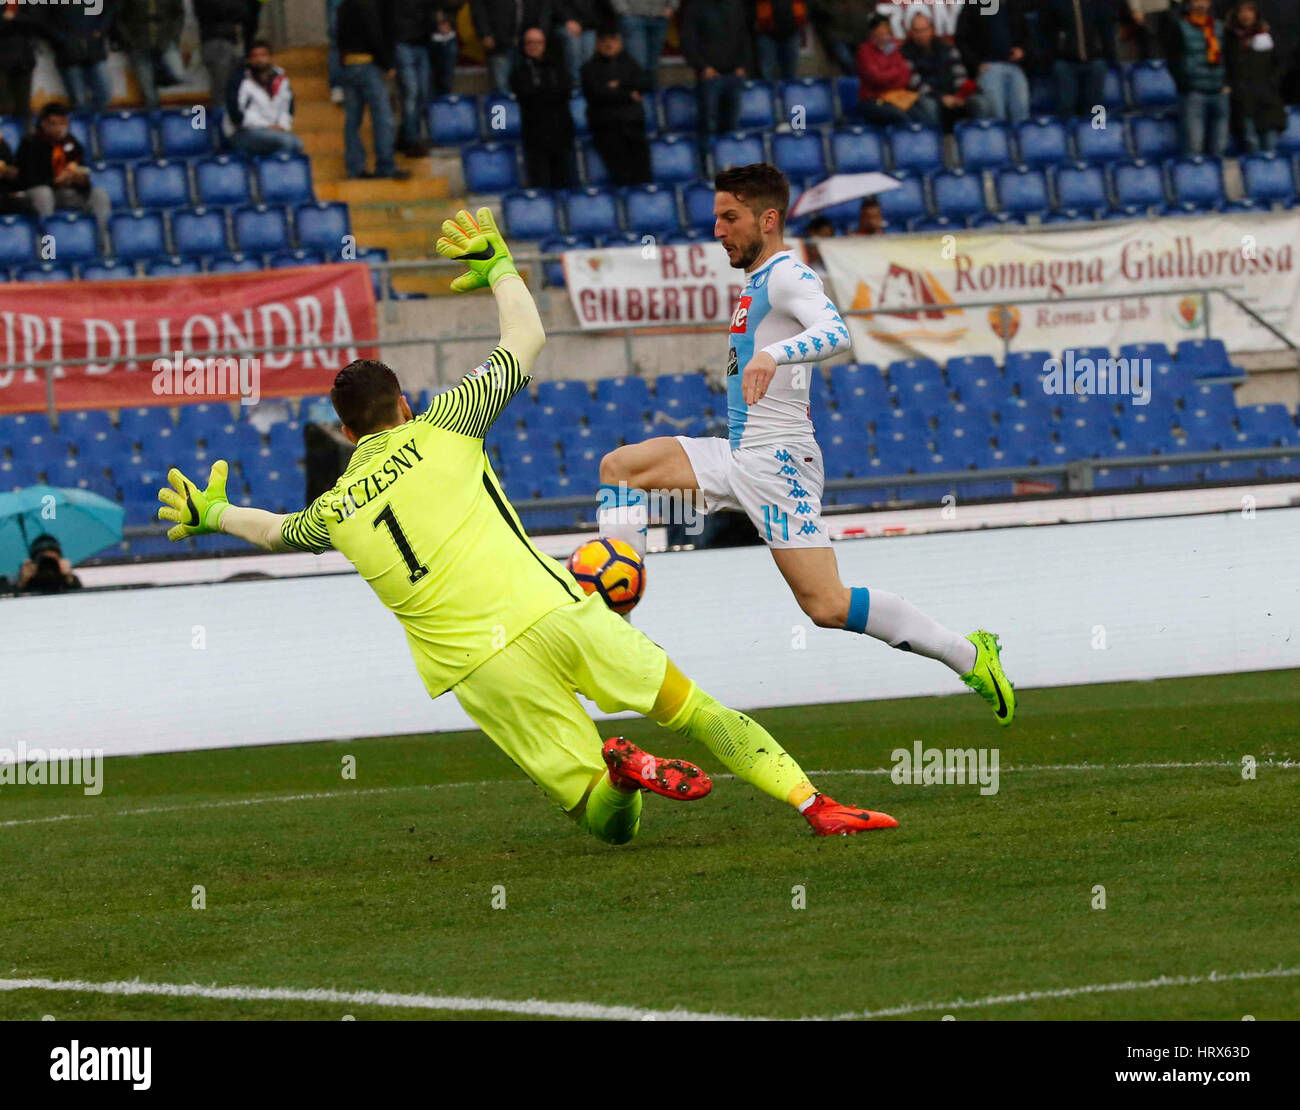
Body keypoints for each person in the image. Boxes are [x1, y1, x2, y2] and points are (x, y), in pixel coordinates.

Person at [158, 207, 899, 841]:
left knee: (605, 821)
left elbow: (274, 531)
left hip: (481, 668)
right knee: (699, 711)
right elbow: (525, 342)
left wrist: (211, 512)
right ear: (404, 406)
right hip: (555, 610)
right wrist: (502, 269)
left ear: (347, 435)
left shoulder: (334, 509)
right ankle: (816, 803)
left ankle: (623, 772)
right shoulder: (446, 422)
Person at [596, 164, 1015, 731]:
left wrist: (774, 355)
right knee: (621, 467)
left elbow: (836, 331)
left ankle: (969, 655)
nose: (717, 229)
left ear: (768, 219)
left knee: (827, 606)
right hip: (741, 453)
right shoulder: (758, 280)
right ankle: (613, 610)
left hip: (780, 462)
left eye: (729, 217)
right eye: (716, 216)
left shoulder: (790, 275)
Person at [16, 103, 112, 252]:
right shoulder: (30, 144)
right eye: (54, 124)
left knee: (99, 195)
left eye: (63, 123)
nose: (59, 128)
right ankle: (47, 251)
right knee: (44, 194)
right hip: (38, 194)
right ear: (44, 124)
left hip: (65, 193)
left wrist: (80, 179)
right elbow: (24, 179)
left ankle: (103, 248)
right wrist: (55, 181)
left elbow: (84, 174)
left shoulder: (71, 143)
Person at [336, 0, 411, 179]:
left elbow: (337, 37)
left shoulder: (344, 5)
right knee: (383, 116)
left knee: (353, 120)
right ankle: (385, 165)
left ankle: (355, 167)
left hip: (349, 64)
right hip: (367, 65)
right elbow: (374, 33)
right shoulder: (368, 4)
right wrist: (387, 64)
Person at [581, 24, 651, 186]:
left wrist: (615, 86)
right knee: (622, 176)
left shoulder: (631, 63)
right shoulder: (589, 69)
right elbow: (597, 95)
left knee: (643, 176)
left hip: (633, 126)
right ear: (597, 44)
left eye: (613, 40)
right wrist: (627, 93)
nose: (609, 44)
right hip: (607, 128)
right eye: (604, 41)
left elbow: (644, 84)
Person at [512, 26, 575, 188]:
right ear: (524, 45)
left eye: (538, 42)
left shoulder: (558, 68)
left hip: (561, 133)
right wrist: (547, 93)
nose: (534, 46)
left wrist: (542, 92)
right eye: (530, 42)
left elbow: (565, 91)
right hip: (535, 137)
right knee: (541, 186)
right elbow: (526, 95)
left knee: (564, 184)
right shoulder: (519, 72)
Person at [1165, 0, 1230, 155]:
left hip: (1219, 93)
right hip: (1194, 93)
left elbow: (1228, 57)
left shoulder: (1219, 27)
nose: (1201, 4)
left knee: (1220, 149)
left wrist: (1227, 84)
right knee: (1194, 147)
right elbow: (1173, 61)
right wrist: (1185, 85)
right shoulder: (1180, 27)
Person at [681, 0, 753, 140]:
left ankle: (731, 160)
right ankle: (708, 161)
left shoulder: (735, 6)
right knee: (709, 127)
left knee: (733, 126)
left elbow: (744, 38)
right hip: (709, 77)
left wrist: (742, 65)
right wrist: (703, 67)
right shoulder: (696, 7)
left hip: (734, 75)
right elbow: (688, 41)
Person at [902, 10, 983, 130]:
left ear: (932, 29)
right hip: (929, 96)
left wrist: (959, 96)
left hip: (954, 94)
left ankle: (976, 143)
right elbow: (915, 84)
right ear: (911, 33)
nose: (921, 34)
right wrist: (941, 98)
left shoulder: (947, 48)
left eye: (924, 29)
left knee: (980, 103)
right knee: (929, 106)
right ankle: (934, 144)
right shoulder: (905, 53)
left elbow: (960, 75)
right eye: (917, 31)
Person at [955, 0, 1032, 123]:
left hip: (1013, 66)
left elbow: (1027, 36)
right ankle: (999, 140)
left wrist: (1022, 51)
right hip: (989, 67)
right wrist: (975, 64)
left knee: (1022, 111)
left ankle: (1021, 141)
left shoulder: (1014, 6)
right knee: (997, 113)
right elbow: (960, 39)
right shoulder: (973, 5)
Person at [223, 40, 305, 156]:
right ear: (249, 60)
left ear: (271, 58)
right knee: (285, 142)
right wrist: (266, 126)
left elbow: (288, 108)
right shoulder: (239, 80)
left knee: (298, 144)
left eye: (263, 55)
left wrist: (282, 125)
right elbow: (236, 116)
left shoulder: (281, 79)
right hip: (242, 133)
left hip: (273, 132)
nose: (259, 60)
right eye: (255, 56)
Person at [1225, 0, 1286, 153]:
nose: (1245, 15)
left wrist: (1273, 82)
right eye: (1242, 11)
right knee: (1251, 143)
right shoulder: (1229, 38)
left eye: (1249, 11)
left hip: (1267, 99)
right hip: (1243, 100)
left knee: (1270, 145)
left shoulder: (1267, 35)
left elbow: (1281, 62)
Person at [856, 14, 938, 127]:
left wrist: (888, 75)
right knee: (902, 118)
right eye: (880, 29)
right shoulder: (865, 51)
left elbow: (905, 75)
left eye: (886, 28)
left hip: (897, 97)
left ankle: (929, 141)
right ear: (873, 31)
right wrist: (894, 73)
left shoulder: (893, 49)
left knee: (925, 115)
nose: (883, 32)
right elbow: (875, 78)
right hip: (873, 100)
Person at [1041, 0, 1119, 117]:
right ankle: (1068, 132)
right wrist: (1052, 58)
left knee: (1096, 106)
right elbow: (1046, 33)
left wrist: (1110, 57)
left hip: (1094, 60)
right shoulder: (1054, 4)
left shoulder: (1098, 3)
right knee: (1066, 105)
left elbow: (1106, 30)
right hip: (1065, 62)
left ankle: (1096, 132)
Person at [116, 0, 185, 111]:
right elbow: (119, 17)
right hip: (139, 43)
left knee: (178, 75)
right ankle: (156, 121)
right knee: (148, 92)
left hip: (165, 40)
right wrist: (129, 41)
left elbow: (179, 13)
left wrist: (174, 37)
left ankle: (158, 74)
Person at [471, 0, 551, 95]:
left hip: (527, 44)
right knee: (501, 90)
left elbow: (545, 8)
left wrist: (541, 32)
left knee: (526, 90)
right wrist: (485, 33)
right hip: (499, 43)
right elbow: (478, 8)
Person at [50, 1, 115, 114]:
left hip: (94, 49)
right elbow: (44, 20)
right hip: (68, 54)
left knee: (105, 93)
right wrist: (63, 40)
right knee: (79, 100)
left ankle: (92, 122)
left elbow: (108, 11)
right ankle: (84, 127)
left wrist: (100, 31)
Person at [393, 0, 435, 156]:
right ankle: (412, 140)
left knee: (422, 94)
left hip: (422, 42)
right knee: (412, 92)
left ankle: (406, 136)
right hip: (402, 42)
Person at [612, 0, 676, 90]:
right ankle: (637, 100)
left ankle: (651, 101)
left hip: (660, 14)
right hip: (632, 15)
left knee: (653, 67)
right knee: (638, 64)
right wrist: (622, 9)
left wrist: (672, 6)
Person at [195, 0, 247, 110]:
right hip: (215, 41)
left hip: (232, 40)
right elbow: (218, 8)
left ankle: (232, 119)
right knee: (221, 89)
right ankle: (220, 121)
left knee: (235, 86)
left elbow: (243, 11)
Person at [806, 0, 872, 76]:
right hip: (836, 31)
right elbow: (816, 6)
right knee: (846, 60)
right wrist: (833, 10)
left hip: (859, 29)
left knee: (863, 61)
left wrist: (864, 9)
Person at [749, 0, 806, 83]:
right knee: (767, 75)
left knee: (791, 75)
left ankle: (788, 95)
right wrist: (754, 20)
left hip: (792, 30)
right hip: (766, 32)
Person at [554, 0, 607, 86]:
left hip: (589, 25)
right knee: (575, 56)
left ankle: (587, 91)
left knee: (588, 61)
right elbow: (558, 4)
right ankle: (575, 90)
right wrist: (568, 19)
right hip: (565, 22)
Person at [16, 535, 82, 595]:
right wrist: (22, 582)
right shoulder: (28, 580)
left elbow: (80, 599)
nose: (48, 564)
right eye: (43, 560)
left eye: (51, 560)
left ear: (60, 560)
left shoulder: (67, 578)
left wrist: (69, 578)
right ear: (33, 563)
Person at [430, 6, 460, 96]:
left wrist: (448, 20)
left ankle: (444, 105)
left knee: (446, 82)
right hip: (427, 38)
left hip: (449, 38)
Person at [0, 134, 33, 215]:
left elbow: (15, 173)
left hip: (4, 191)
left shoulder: (2, 146)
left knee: (24, 203)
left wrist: (5, 170)